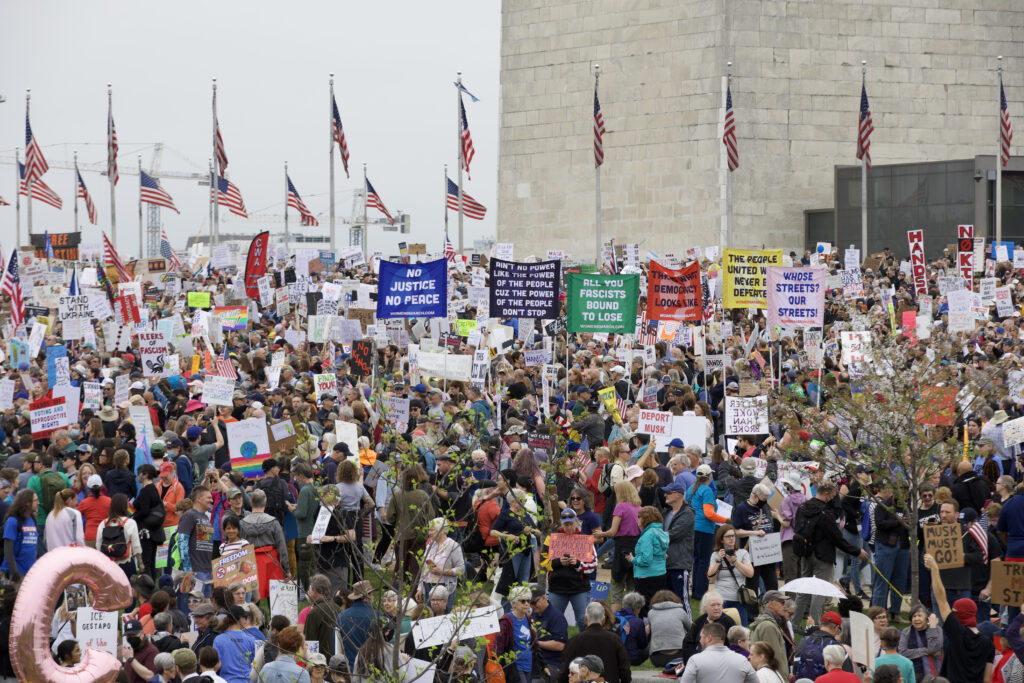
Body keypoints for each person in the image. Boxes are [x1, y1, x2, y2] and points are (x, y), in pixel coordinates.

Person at [789, 479, 869, 631]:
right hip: (823, 556)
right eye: (833, 495)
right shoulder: (825, 513)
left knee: (804, 590)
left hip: (805, 552)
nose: (834, 498)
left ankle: (794, 624)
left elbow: (797, 527)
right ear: (826, 493)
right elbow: (837, 538)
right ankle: (814, 626)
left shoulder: (803, 507)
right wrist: (856, 551)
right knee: (818, 592)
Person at [924, 552, 994, 683]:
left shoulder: (956, 632)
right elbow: (987, 680)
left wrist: (934, 569)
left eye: (954, 612)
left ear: (959, 614)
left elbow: (941, 599)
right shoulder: (988, 643)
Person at [543, 508, 598, 631]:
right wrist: (558, 562)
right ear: (561, 524)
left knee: (583, 620)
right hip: (557, 588)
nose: (568, 527)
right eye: (566, 524)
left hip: (579, 588)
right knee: (553, 621)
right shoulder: (552, 538)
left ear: (576, 522)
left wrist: (578, 564)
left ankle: (585, 642)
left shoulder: (584, 539)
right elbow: (543, 561)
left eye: (571, 524)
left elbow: (593, 564)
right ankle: (555, 642)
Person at [557, 602, 631, 683]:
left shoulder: (573, 641)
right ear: (603, 620)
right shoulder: (615, 640)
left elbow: (564, 673)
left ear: (585, 619)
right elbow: (625, 671)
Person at [685, 464, 729, 599]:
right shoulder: (707, 490)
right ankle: (700, 592)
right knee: (704, 561)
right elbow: (709, 514)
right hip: (704, 529)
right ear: (709, 476)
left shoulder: (691, 488)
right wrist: (726, 520)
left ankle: (696, 591)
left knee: (697, 561)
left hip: (692, 528)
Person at [240, 489, 291, 600]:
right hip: (271, 561)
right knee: (274, 598)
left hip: (250, 563)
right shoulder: (273, 522)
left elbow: (240, 548)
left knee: (252, 597)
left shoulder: (242, 523)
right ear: (265, 503)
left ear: (251, 503)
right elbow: (281, 547)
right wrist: (287, 569)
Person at [707, 523, 755, 625]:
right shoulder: (715, 555)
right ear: (721, 539)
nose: (732, 538)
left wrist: (735, 562)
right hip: (721, 599)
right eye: (728, 536)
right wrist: (718, 561)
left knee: (741, 630)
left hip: (739, 598)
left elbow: (750, 574)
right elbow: (711, 578)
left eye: (733, 535)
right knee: (721, 630)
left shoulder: (743, 553)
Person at [679, 621, 758, 683]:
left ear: (709, 638)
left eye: (701, 637)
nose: (700, 641)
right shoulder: (742, 660)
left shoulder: (695, 660)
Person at [626, 506, 668, 616]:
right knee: (656, 605)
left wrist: (632, 559)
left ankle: (646, 626)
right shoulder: (660, 532)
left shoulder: (648, 535)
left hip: (646, 576)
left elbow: (646, 560)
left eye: (639, 516)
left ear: (646, 519)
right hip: (660, 573)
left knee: (644, 608)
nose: (637, 519)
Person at [661, 481, 695, 611]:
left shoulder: (687, 513)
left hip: (679, 564)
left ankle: (688, 624)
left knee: (682, 601)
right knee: (665, 602)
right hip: (665, 564)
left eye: (668, 492)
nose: (665, 495)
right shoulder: (666, 513)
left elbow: (674, 534)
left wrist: (655, 537)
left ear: (678, 494)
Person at [417, 517, 464, 613]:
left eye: (432, 530)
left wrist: (442, 572)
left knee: (443, 617)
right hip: (428, 586)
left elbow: (461, 569)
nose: (429, 532)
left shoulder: (453, 546)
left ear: (442, 530)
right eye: (429, 530)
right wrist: (420, 588)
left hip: (444, 588)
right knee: (430, 616)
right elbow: (424, 568)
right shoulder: (430, 545)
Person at [96, 492, 144, 577]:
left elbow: (98, 546)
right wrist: (140, 563)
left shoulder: (103, 524)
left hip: (109, 565)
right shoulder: (130, 523)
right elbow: (136, 546)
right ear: (124, 506)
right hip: (126, 563)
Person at [212, 604, 264, 683]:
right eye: (245, 617)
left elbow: (215, 665)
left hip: (226, 680)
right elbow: (257, 664)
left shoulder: (219, 640)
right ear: (241, 619)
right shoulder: (250, 639)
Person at [496, 584, 536, 683]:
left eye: (528, 601)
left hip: (529, 664)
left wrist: (544, 665)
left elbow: (535, 642)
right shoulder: (505, 622)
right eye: (523, 601)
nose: (526, 604)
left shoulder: (529, 619)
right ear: (513, 603)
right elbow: (499, 647)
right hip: (515, 666)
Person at [681, 591, 736, 662]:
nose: (716, 608)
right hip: (697, 659)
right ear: (705, 607)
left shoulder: (728, 622)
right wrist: (693, 659)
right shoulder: (699, 621)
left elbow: (734, 646)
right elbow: (688, 643)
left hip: (720, 661)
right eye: (713, 605)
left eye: (719, 604)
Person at [748, 590, 791, 678]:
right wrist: (782, 678)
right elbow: (774, 658)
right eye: (782, 602)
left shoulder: (767, 623)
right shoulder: (768, 626)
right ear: (771, 604)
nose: (784, 606)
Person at [336, 580, 377, 668]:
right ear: (367, 597)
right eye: (372, 594)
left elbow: (337, 646)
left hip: (349, 668)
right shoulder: (378, 616)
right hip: (373, 668)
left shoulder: (341, 617)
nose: (373, 597)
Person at [792, 610, 842, 681]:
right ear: (836, 628)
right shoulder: (837, 647)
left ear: (820, 625)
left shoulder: (802, 641)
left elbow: (795, 670)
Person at [530, 588, 569, 680]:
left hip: (552, 662)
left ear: (543, 598)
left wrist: (535, 643)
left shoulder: (557, 617)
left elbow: (560, 645)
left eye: (534, 603)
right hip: (534, 660)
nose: (532, 606)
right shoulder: (533, 614)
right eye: (530, 603)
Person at [646, 590, 692, 668]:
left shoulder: (651, 613)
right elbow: (691, 630)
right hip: (680, 657)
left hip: (657, 659)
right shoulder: (680, 611)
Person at [1, 489, 39, 583]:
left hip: (30, 572)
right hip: (15, 573)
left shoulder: (32, 519)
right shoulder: (12, 521)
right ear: (27, 503)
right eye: (35, 500)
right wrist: (14, 571)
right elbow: (8, 549)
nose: (38, 503)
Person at [898, 604, 943, 680]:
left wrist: (932, 628)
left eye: (920, 616)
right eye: (914, 616)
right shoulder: (907, 631)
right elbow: (902, 652)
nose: (916, 619)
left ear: (927, 618)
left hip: (933, 672)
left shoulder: (936, 629)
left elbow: (933, 649)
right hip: (913, 672)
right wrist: (926, 651)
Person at [303, 574, 342, 658]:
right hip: (337, 659)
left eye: (310, 589)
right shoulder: (338, 609)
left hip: (320, 661)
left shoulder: (314, 612)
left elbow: (310, 643)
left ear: (314, 590)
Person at [615, 592, 649, 666]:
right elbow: (642, 645)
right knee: (647, 649)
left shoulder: (614, 617)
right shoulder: (638, 622)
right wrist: (646, 633)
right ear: (637, 608)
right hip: (631, 658)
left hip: (614, 658)